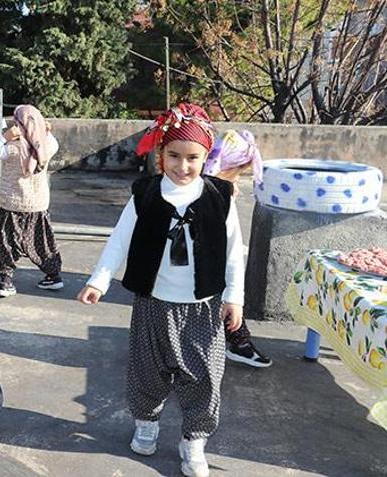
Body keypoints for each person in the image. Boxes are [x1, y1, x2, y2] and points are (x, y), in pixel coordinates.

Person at [77, 103, 245, 477]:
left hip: (204, 306)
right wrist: (99, 280)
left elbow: (235, 251)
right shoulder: (145, 194)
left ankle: (194, 441)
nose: (182, 166)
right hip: (153, 303)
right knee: (147, 370)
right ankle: (147, 423)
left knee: (204, 376)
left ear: (205, 157)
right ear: (160, 154)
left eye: (192, 158)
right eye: (174, 156)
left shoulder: (221, 196)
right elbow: (119, 240)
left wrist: (235, 296)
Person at [203, 129, 272, 368]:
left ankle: (238, 341)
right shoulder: (214, 193)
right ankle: (237, 343)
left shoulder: (217, 188)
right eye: (237, 173)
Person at [0, 105, 63, 297]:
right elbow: (51, 141)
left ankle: (7, 281)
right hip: (38, 204)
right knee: (42, 242)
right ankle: (53, 276)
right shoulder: (48, 145)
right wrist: (47, 131)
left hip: (12, 204)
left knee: (6, 243)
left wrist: (5, 136)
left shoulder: (13, 148)